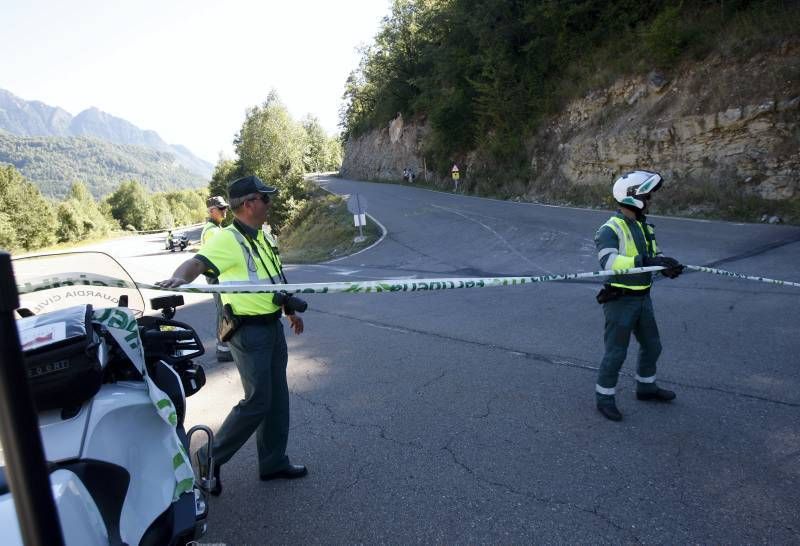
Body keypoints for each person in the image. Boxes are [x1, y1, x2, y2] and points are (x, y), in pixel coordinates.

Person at [157, 175, 308, 495]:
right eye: (265, 198)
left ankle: (273, 462)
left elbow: (272, 279)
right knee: (258, 401)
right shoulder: (226, 239)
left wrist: (289, 310)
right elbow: (195, 263)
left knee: (277, 399)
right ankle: (207, 457)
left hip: (272, 326)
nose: (270, 203)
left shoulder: (263, 237)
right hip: (248, 333)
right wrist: (178, 278)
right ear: (249, 203)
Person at [593, 170, 683, 422]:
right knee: (616, 353)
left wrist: (666, 267)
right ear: (633, 197)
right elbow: (609, 262)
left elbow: (653, 259)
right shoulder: (610, 228)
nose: (651, 200)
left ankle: (646, 387)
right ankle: (604, 398)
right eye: (648, 195)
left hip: (643, 298)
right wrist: (645, 260)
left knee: (653, 346)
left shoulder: (644, 227)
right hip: (620, 300)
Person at [201, 196, 233, 362]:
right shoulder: (212, 231)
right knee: (223, 310)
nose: (224, 211)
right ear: (211, 211)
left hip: (218, 276)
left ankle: (226, 346)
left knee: (226, 309)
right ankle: (223, 349)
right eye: (221, 208)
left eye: (225, 207)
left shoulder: (216, 228)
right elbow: (219, 256)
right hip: (216, 277)